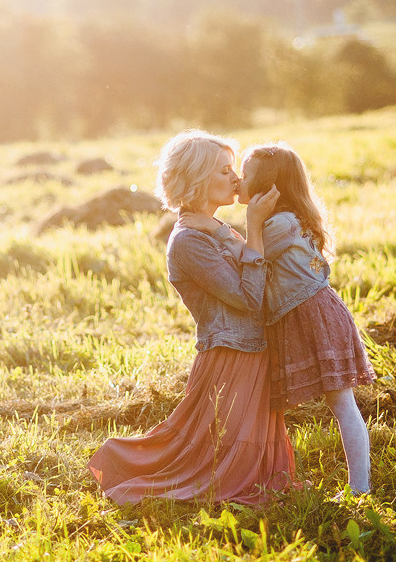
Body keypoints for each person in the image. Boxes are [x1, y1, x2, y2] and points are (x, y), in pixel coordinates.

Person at [88, 129, 298, 504]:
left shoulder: (216, 228)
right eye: (224, 171)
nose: (236, 179)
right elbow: (248, 298)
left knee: (245, 456)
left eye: (234, 169)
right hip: (231, 356)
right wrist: (253, 228)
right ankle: (127, 466)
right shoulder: (188, 242)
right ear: (198, 179)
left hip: (254, 350)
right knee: (216, 460)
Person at [182, 141, 376, 495]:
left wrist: (217, 229)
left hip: (312, 317)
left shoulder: (280, 224)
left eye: (247, 175)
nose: (238, 180)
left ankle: (360, 488)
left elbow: (249, 258)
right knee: (335, 402)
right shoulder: (280, 221)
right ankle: (277, 469)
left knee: (341, 401)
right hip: (304, 315)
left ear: (269, 188)